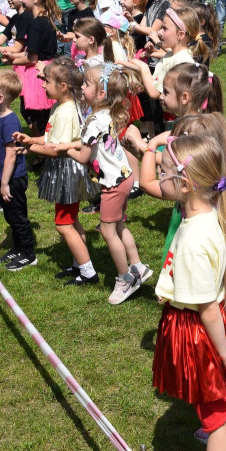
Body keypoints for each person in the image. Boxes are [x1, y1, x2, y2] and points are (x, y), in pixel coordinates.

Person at [144, 131, 226, 451]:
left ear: (185, 184)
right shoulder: (208, 218)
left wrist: (221, 353)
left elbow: (205, 309)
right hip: (209, 330)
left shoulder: (195, 240)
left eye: (163, 172)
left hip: (201, 336)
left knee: (215, 418)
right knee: (223, 405)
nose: (159, 179)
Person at [63, 64, 151, 305]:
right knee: (119, 225)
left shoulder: (94, 122)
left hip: (113, 184)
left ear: (101, 94)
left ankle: (125, 279)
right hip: (124, 177)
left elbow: (83, 157)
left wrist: (66, 148)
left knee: (107, 230)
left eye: (86, 84)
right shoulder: (108, 114)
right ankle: (138, 266)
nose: (81, 86)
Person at [14, 58, 101, 287]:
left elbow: (56, 150)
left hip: (67, 171)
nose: (42, 85)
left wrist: (29, 149)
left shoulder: (66, 111)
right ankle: (79, 265)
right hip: (65, 169)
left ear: (63, 86)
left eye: (47, 81)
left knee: (63, 224)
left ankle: (88, 273)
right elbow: (49, 137)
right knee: (71, 221)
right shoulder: (60, 106)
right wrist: (31, 139)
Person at [0, 70, 35, 271]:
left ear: (0, 97)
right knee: (9, 215)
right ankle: (17, 247)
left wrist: (4, 183)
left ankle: (28, 253)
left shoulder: (10, 122)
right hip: (2, 178)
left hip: (12, 179)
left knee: (18, 216)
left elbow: (11, 155)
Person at [0, 0, 61, 135]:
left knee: (39, 120)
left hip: (38, 75)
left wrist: (11, 59)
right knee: (47, 119)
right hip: (49, 69)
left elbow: (31, 59)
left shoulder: (35, 24)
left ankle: (43, 156)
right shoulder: (46, 19)